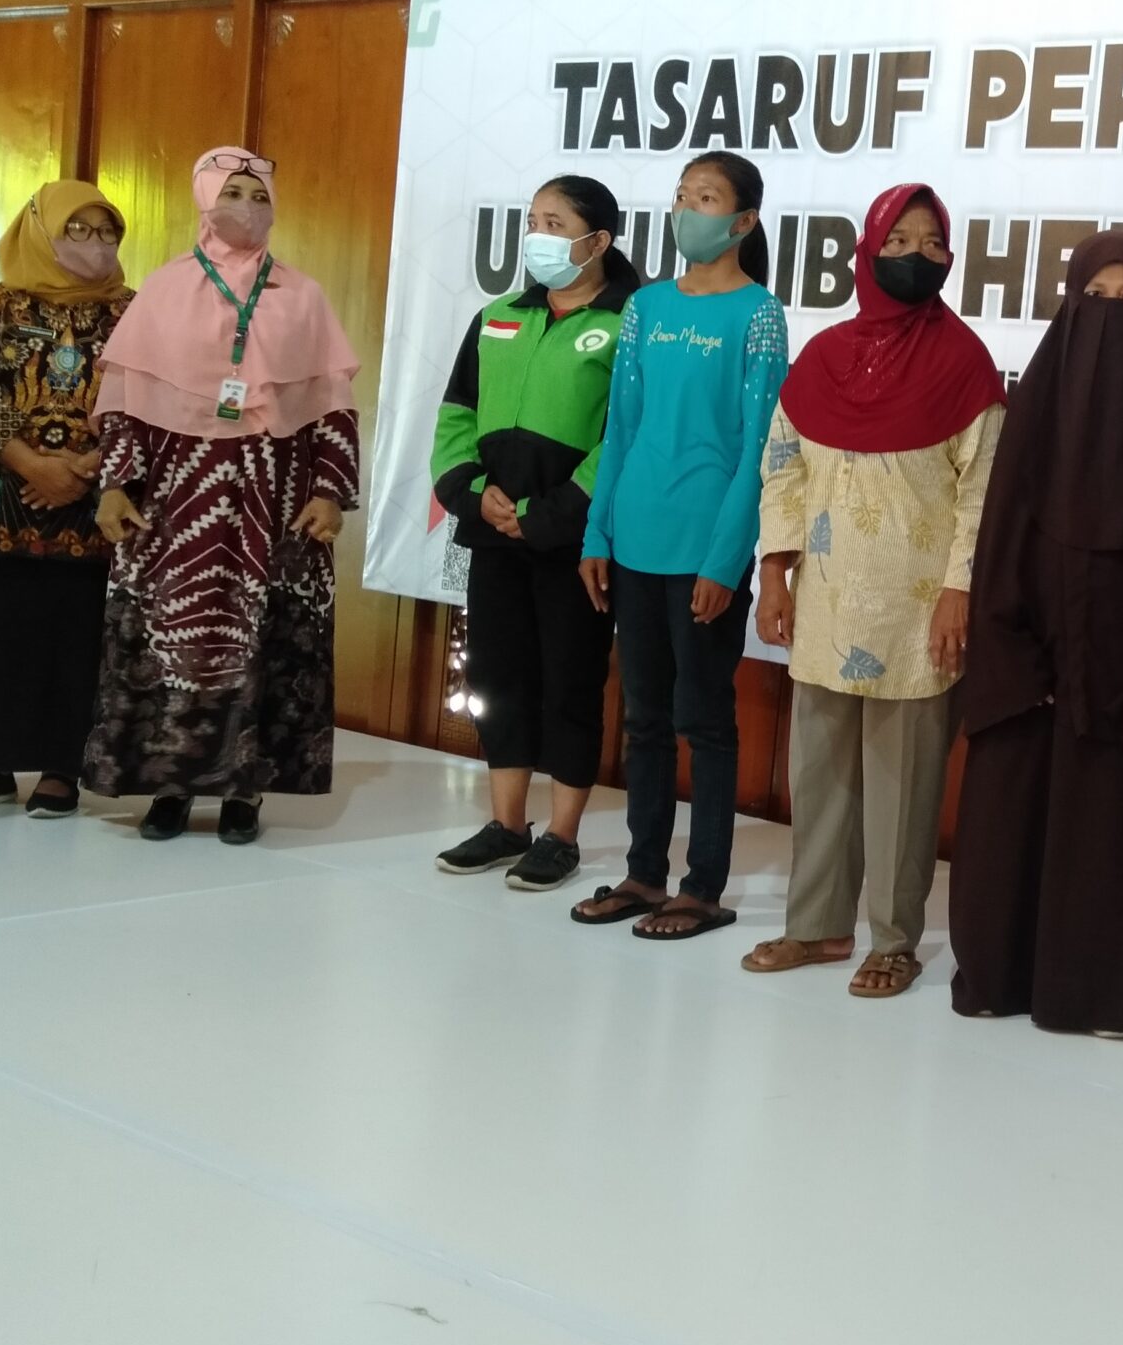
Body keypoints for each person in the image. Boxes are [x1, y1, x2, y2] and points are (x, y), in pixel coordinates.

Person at [946, 230, 1123, 1037]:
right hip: (1027, 663)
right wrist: (1017, 649)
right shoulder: (1035, 406)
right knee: (1012, 810)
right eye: (1094, 299)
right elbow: (1002, 540)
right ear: (1069, 303)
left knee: (1114, 815)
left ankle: (1107, 994)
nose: (1109, 317)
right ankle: (1000, 973)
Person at [744, 183, 1005, 997]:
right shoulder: (823, 357)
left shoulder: (964, 364)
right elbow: (783, 468)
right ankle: (816, 927)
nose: (916, 256)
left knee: (903, 785)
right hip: (825, 599)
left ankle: (893, 941)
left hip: (918, 609)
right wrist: (774, 572)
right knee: (821, 774)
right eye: (899, 241)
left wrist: (960, 591)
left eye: (932, 243)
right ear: (868, 249)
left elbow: (984, 493)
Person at [81, 148, 361, 843]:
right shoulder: (164, 289)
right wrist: (114, 484)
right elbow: (123, 401)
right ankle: (169, 786)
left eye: (259, 195)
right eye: (232, 191)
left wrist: (331, 491)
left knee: (260, 640)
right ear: (204, 196)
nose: (246, 206)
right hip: (172, 506)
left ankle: (245, 790)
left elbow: (333, 405)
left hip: (276, 503)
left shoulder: (302, 296)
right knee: (174, 640)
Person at [574, 152, 787, 938]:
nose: (688, 210)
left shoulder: (758, 314)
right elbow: (621, 429)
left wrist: (725, 561)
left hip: (704, 551)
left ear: (743, 220)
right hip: (634, 540)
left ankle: (703, 886)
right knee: (644, 720)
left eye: (706, 198)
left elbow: (759, 447)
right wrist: (598, 532)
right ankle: (643, 874)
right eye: (682, 196)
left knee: (706, 720)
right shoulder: (647, 307)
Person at [429, 176, 638, 890]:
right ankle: (506, 824)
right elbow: (456, 414)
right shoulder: (497, 316)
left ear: (597, 241)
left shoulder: (630, 322)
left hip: (574, 541)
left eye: (555, 224)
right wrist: (472, 493)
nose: (537, 236)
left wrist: (557, 510)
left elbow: (625, 433)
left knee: (570, 682)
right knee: (497, 676)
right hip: (494, 534)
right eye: (533, 221)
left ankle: (563, 834)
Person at [0, 180, 132, 818]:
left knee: (74, 634)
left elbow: (149, 403)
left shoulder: (132, 311)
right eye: (78, 229)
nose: (95, 242)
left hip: (92, 501)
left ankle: (61, 768)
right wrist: (31, 464)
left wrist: (89, 467)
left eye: (107, 231)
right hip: (0, 500)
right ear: (41, 230)